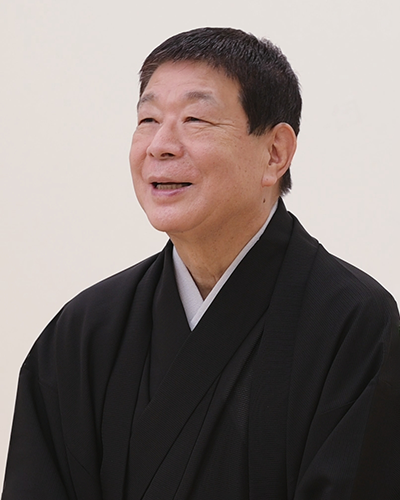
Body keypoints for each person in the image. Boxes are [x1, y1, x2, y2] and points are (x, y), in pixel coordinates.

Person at [2, 27, 400, 500]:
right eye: (148, 119)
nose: (160, 145)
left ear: (275, 153)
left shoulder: (352, 323)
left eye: (195, 119)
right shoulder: (85, 331)